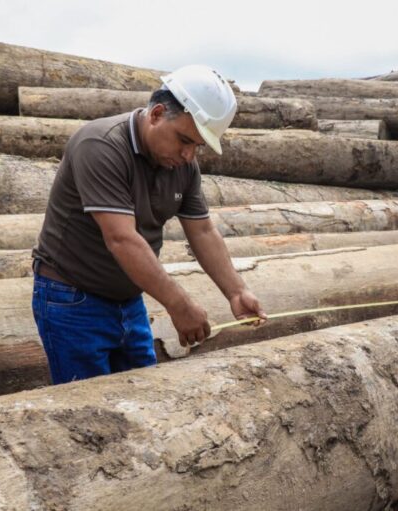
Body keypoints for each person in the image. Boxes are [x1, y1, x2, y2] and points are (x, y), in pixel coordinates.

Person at [31, 65, 266, 384]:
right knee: (89, 411)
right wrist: (179, 304)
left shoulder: (185, 165)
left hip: (128, 300)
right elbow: (121, 239)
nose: (188, 154)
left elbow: (202, 230)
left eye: (197, 146)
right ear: (156, 114)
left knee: (145, 394)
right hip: (72, 299)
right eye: (184, 139)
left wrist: (236, 292)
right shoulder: (101, 146)